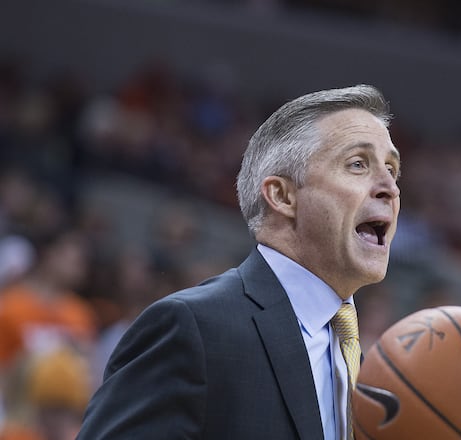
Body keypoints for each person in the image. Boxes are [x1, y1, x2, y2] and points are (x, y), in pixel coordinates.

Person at [77, 84, 401, 439]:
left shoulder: (358, 358)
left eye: (392, 169)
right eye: (358, 164)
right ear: (282, 195)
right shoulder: (193, 329)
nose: (390, 187)